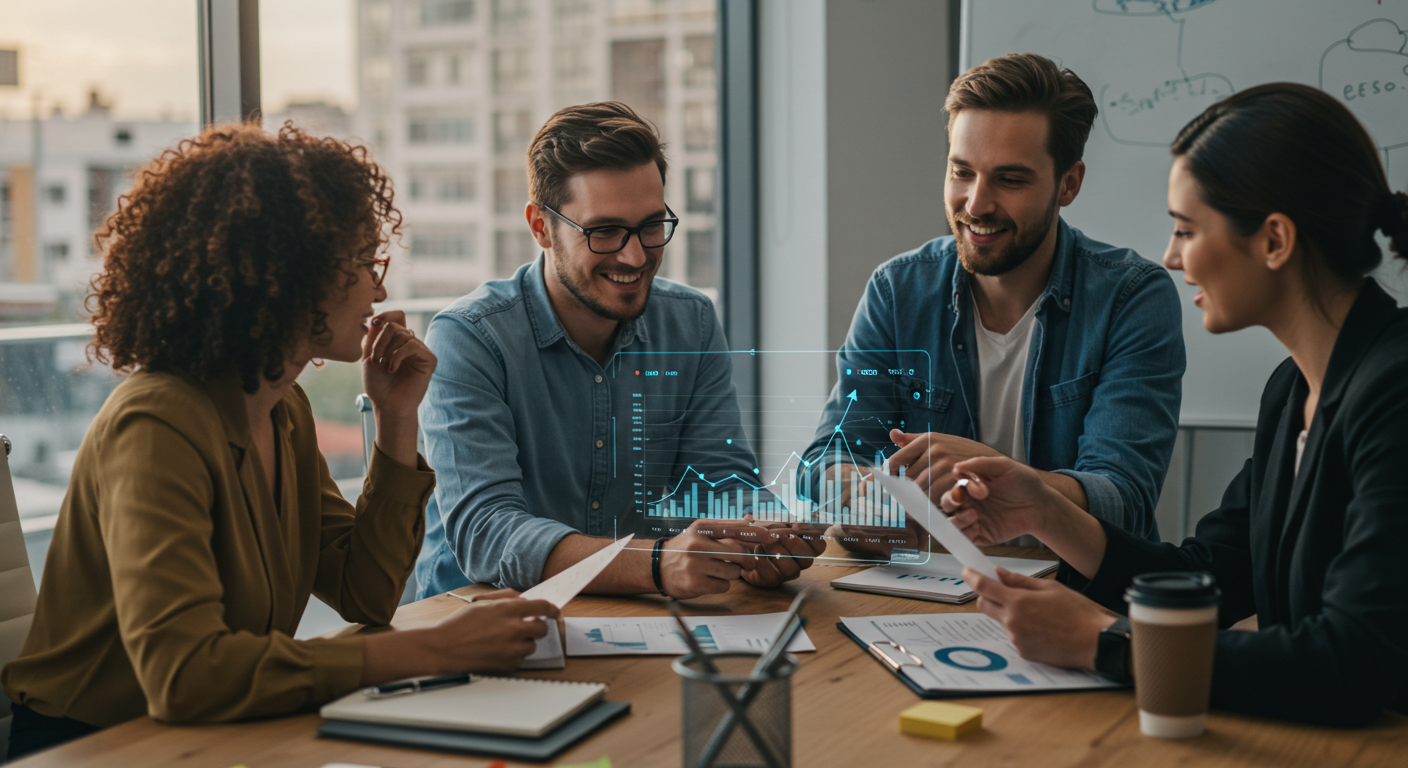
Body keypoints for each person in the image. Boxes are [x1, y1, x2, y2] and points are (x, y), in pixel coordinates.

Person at [1, 124, 558, 760]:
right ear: (287, 275)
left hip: (221, 730)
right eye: (363, 265)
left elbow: (365, 593)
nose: (379, 290)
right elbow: (184, 675)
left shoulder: (281, 408)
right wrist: (431, 647)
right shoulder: (156, 423)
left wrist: (398, 420)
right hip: (98, 747)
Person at [941, 82, 1408, 726]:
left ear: (1275, 240)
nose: (1171, 257)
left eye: (1187, 229)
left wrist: (1104, 643)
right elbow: (1206, 578)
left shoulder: (1395, 394)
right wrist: (1045, 510)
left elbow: (1348, 664)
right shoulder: (1294, 389)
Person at [415, 102, 824, 601]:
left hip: (633, 613)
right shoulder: (470, 338)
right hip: (478, 617)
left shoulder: (690, 322)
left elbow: (719, 478)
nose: (634, 257)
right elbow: (486, 532)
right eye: (604, 231)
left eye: (652, 226)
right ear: (541, 227)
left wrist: (763, 530)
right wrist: (655, 564)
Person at [800, 53, 1184, 556]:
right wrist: (865, 494)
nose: (976, 204)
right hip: (924, 595)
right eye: (962, 172)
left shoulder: (1131, 297)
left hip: (1073, 598)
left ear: (1068, 183)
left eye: (1010, 179)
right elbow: (824, 464)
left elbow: (1122, 498)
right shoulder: (898, 291)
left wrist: (998, 475)